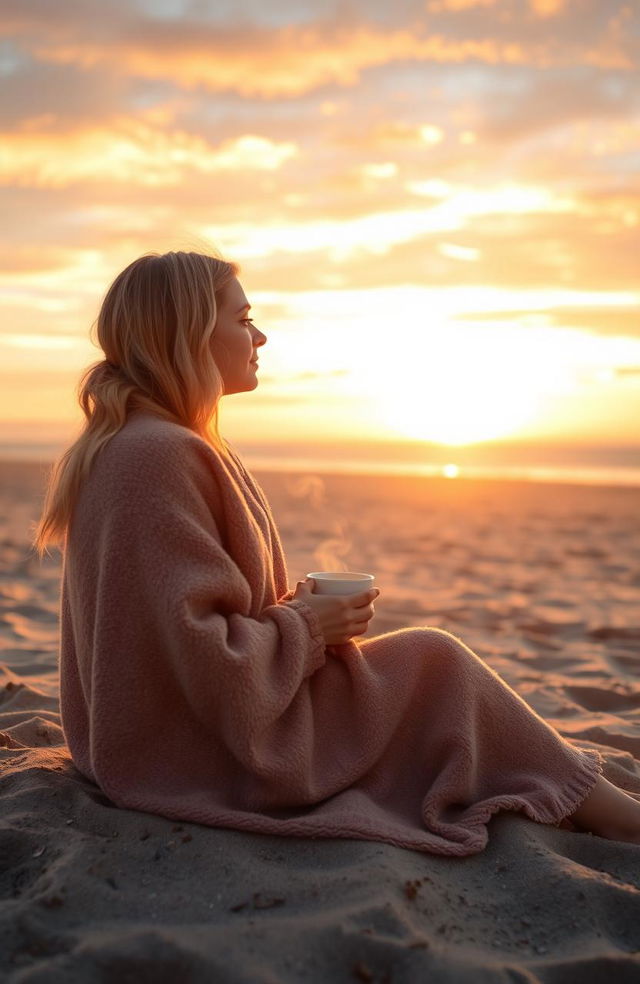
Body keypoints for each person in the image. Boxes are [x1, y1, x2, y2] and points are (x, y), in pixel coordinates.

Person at [34, 250, 640, 856]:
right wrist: (305, 626)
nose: (260, 336)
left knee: (423, 672)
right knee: (436, 661)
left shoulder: (148, 442)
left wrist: (297, 620)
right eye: (242, 319)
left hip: (188, 731)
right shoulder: (157, 455)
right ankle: (619, 819)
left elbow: (169, 631)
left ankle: (592, 798)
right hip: (199, 753)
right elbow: (197, 658)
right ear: (188, 331)